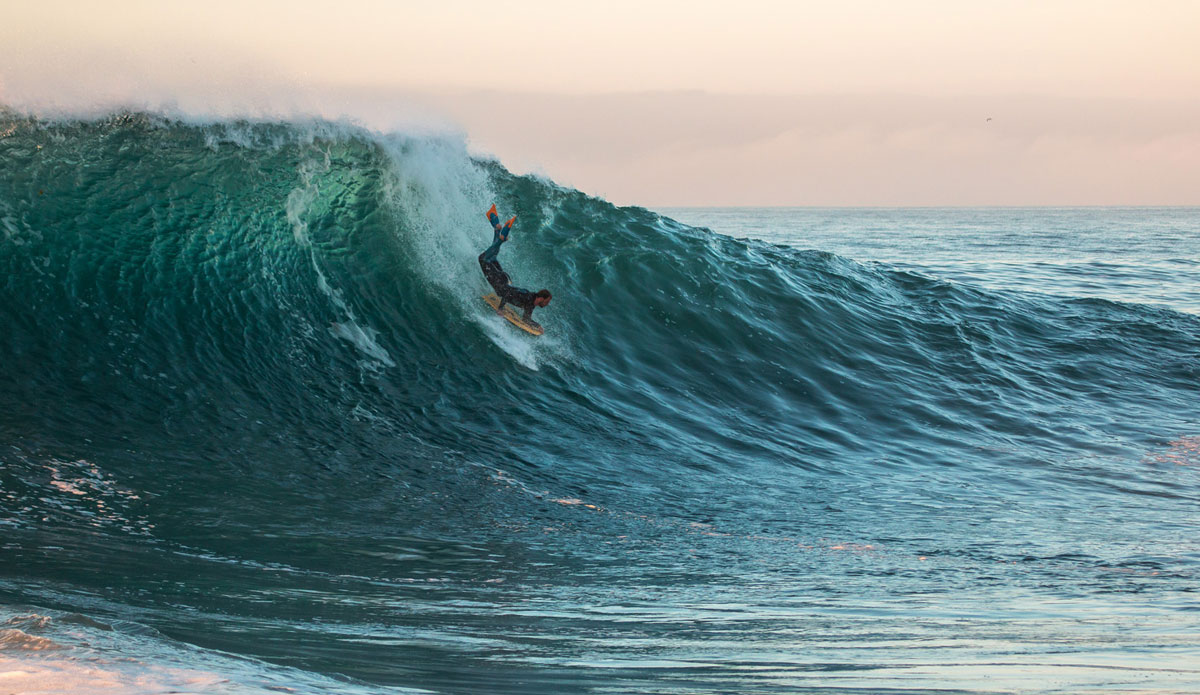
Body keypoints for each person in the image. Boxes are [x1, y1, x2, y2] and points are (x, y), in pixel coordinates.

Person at [478, 204, 551, 321]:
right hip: (501, 281)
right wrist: (500, 308)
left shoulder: (530, 303)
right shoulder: (528, 298)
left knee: (492, 257)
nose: (548, 304)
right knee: (484, 259)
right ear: (542, 298)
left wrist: (537, 326)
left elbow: (526, 319)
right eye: (547, 301)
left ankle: (497, 226)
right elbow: (507, 293)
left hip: (504, 279)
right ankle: (500, 238)